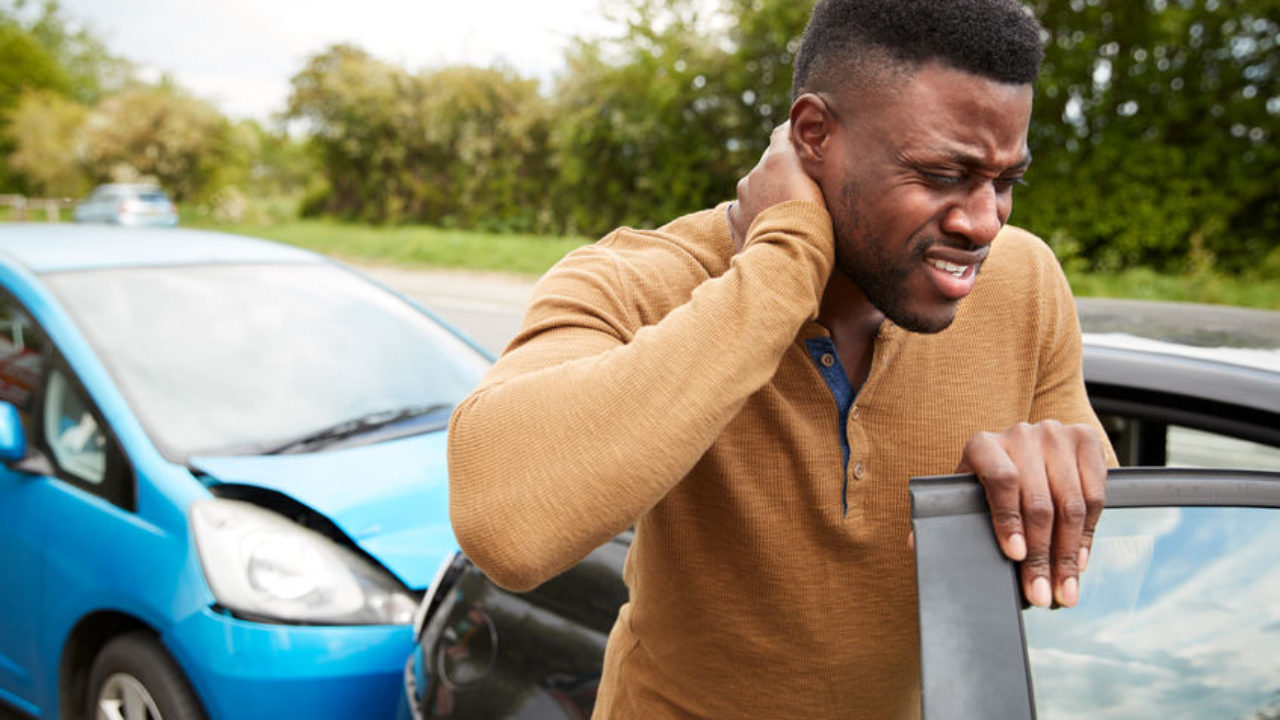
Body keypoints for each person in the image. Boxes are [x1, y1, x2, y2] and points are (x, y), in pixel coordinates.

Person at [447, 0, 1115, 716]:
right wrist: (784, 260)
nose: (983, 221)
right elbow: (506, 529)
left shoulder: (1026, 283)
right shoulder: (633, 282)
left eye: (1005, 181)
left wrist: (1055, 484)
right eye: (940, 174)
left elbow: (1127, 566)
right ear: (814, 135)